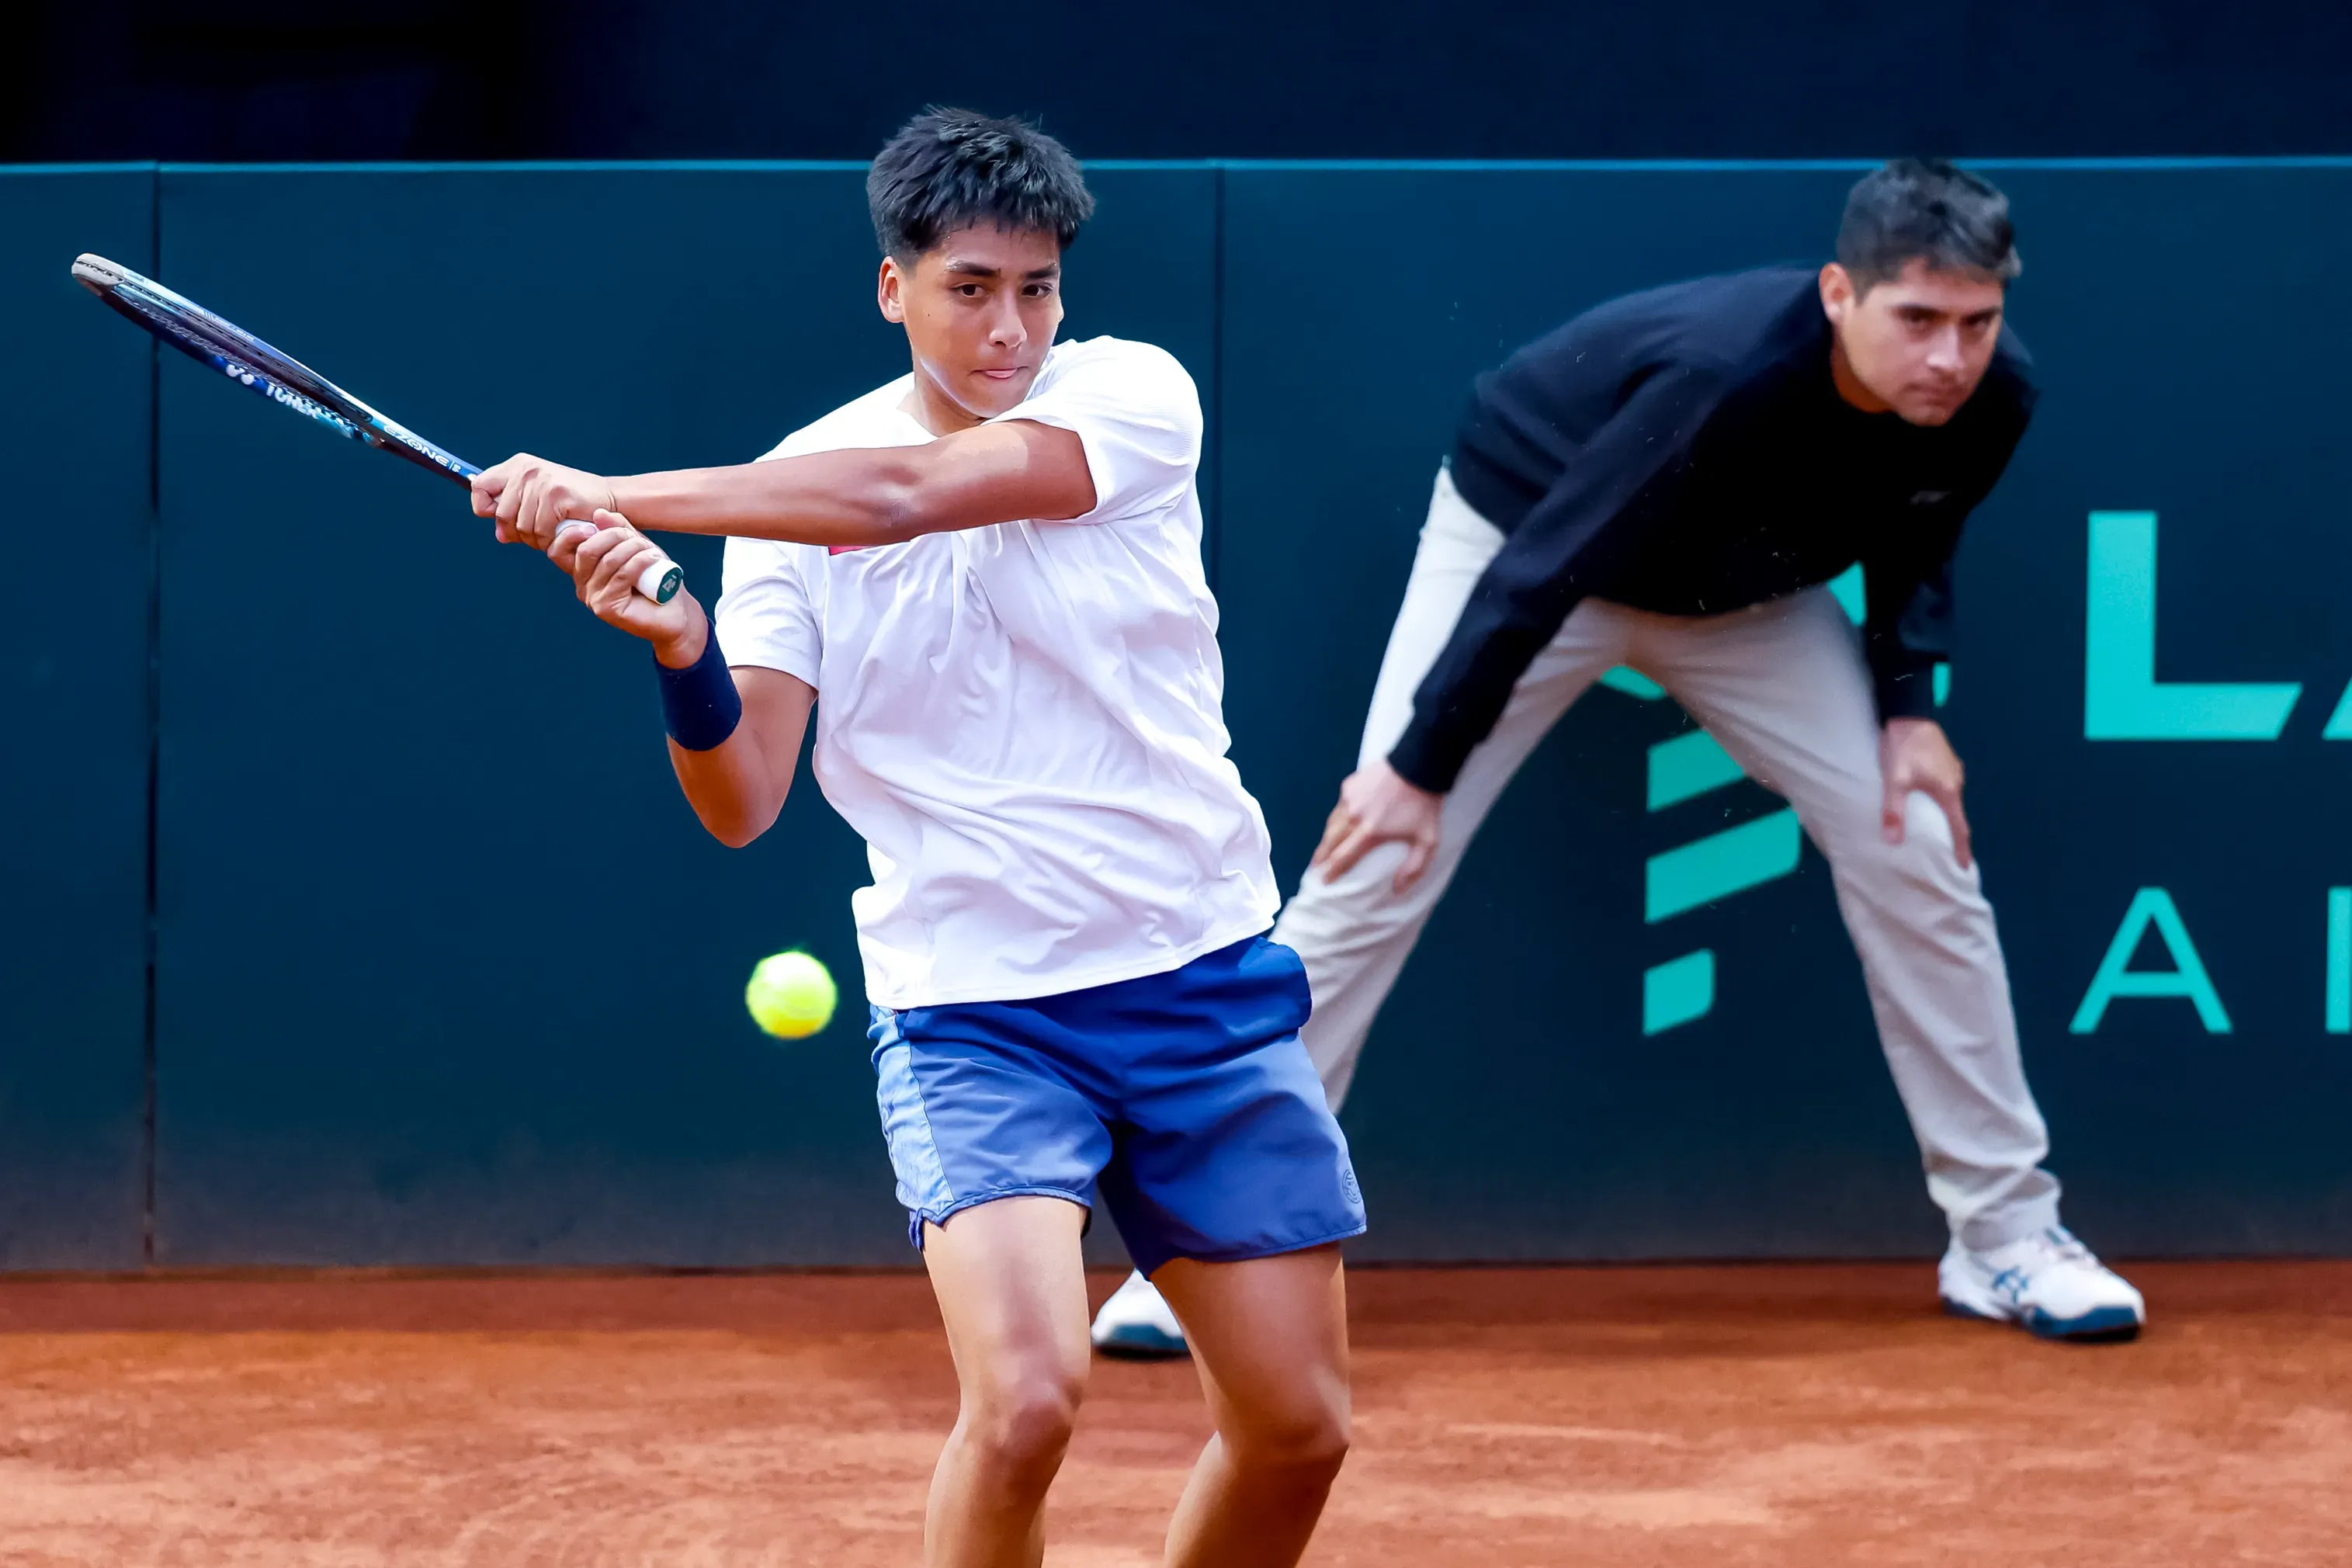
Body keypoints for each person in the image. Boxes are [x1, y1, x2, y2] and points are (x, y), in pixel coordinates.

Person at [472, 109, 1364, 1568]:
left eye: (1037, 288)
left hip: (1197, 978)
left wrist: (606, 493)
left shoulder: (1133, 394)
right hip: (973, 1012)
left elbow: (905, 499)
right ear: (893, 287)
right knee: (1022, 1408)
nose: (1010, 327)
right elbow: (744, 796)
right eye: (969, 288)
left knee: (1297, 1430)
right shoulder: (785, 492)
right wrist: (681, 643)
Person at [1091, 157, 2143, 1358]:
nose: (1949, 358)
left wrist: (1908, 710)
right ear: (1839, 293)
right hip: (1532, 547)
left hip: (1750, 602)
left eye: (1975, 322)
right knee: (1367, 866)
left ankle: (2004, 1234)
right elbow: (1540, 573)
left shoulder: (1991, 395)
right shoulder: (1720, 379)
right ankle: (1209, 1242)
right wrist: (1417, 768)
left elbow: (1912, 524)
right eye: (1917, 320)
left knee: (1917, 845)